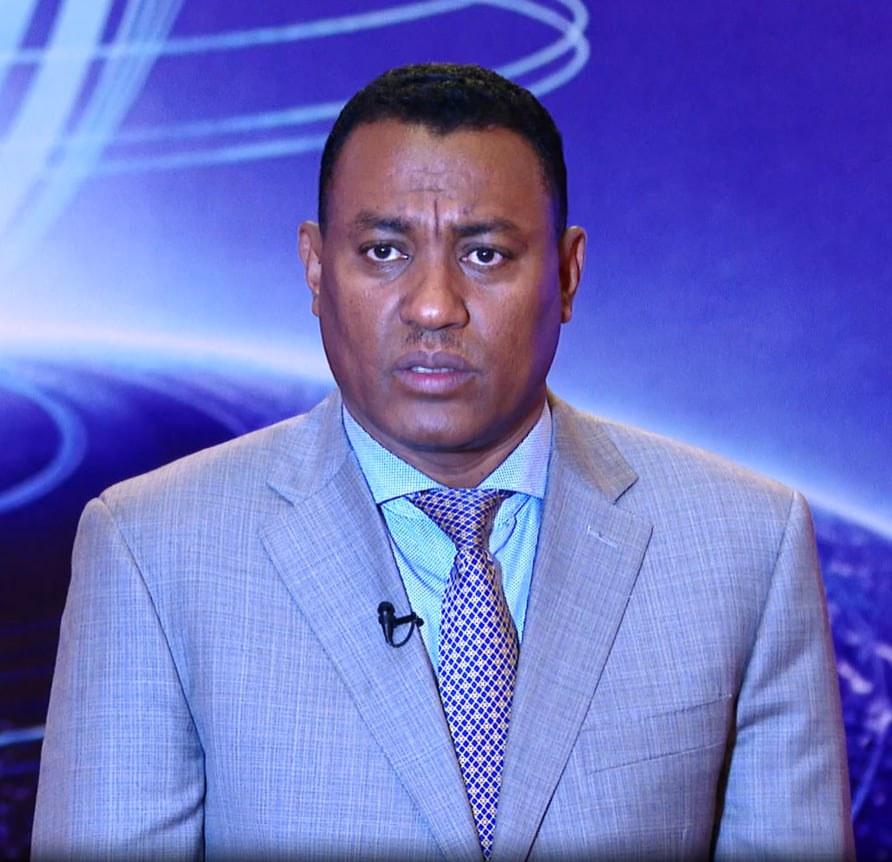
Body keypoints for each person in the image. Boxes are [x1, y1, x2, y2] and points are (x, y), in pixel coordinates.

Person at [32, 63, 853, 860]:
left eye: (484, 254)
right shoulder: (153, 550)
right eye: (384, 251)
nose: (433, 306)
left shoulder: (743, 544)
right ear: (315, 269)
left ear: (567, 274)